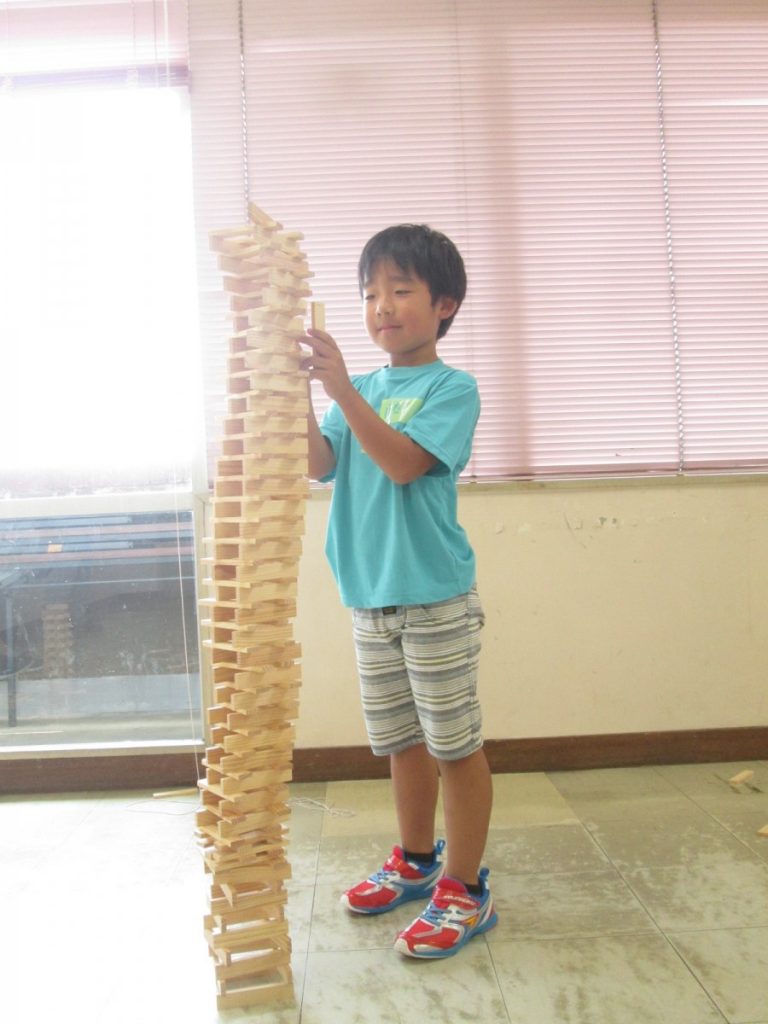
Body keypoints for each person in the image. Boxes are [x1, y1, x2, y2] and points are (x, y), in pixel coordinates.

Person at [300, 224, 496, 959]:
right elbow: (319, 462)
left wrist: (341, 390)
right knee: (402, 742)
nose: (381, 305)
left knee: (454, 746)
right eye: (369, 293)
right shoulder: (361, 390)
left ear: (444, 305)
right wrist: (301, 395)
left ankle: (464, 888)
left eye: (401, 289)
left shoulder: (452, 388)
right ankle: (416, 861)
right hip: (369, 595)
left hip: (433, 597)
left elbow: (404, 464)